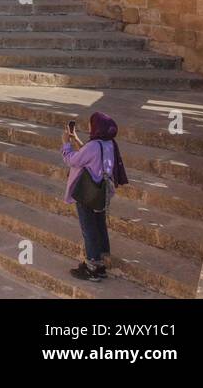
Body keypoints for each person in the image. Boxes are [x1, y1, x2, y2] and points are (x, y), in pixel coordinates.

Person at [62, 112, 129, 283]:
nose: (90, 127)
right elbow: (92, 155)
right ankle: (100, 264)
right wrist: (77, 140)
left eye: (92, 124)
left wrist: (66, 144)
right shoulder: (109, 144)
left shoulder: (93, 146)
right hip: (101, 193)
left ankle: (92, 267)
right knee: (99, 225)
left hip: (87, 193)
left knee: (88, 228)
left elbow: (73, 161)